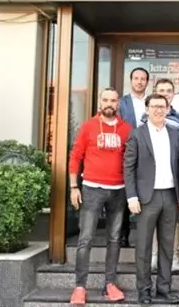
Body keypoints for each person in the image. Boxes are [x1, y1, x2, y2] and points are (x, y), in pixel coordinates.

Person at [67, 88, 132, 305]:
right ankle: (80, 286)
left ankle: (110, 284)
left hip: (118, 190)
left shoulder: (127, 129)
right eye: (105, 100)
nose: (109, 104)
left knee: (114, 238)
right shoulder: (88, 126)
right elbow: (75, 156)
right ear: (99, 102)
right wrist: (73, 187)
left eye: (113, 100)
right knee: (85, 238)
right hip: (92, 188)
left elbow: (131, 160)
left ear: (118, 104)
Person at [123, 93, 179, 304]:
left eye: (162, 106)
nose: (159, 110)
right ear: (147, 109)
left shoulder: (175, 134)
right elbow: (128, 167)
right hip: (145, 197)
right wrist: (131, 196)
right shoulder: (137, 134)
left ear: (168, 109)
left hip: (170, 195)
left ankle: (164, 288)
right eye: (154, 106)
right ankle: (143, 290)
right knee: (143, 246)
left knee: (167, 245)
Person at [141, 78, 179, 272]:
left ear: (173, 95)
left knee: (174, 223)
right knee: (152, 223)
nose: (165, 93)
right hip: (151, 184)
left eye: (168, 91)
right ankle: (153, 255)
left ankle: (174, 256)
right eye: (161, 90)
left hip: (171, 181)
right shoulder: (144, 120)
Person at [118, 67, 149, 246]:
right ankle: (124, 234)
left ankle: (144, 234)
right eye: (136, 78)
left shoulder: (152, 101)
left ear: (147, 82)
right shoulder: (122, 103)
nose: (139, 82)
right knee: (126, 193)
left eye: (143, 79)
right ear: (131, 81)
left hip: (148, 153)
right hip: (128, 151)